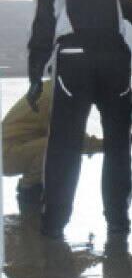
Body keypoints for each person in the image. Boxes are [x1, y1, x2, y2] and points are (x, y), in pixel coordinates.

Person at [27, 0, 132, 239]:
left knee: (64, 147)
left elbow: (41, 38)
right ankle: (118, 222)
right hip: (115, 63)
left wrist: (34, 81)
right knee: (118, 146)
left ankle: (54, 223)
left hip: (73, 66)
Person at [2, 78, 104, 208]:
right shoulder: (58, 98)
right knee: (54, 146)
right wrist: (110, 145)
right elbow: (71, 139)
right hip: (6, 156)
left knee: (58, 147)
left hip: (11, 150)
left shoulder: (57, 87)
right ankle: (29, 191)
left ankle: (33, 192)